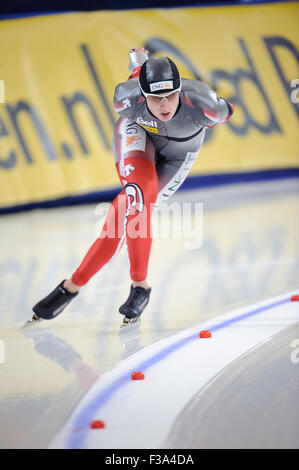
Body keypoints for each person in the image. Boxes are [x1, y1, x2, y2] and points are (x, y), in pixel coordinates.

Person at [28, 47, 234, 327]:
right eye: (156, 98)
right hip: (139, 135)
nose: (164, 105)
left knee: (122, 214)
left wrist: (142, 66)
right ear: (143, 95)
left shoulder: (203, 103)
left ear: (180, 91)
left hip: (177, 156)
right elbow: (138, 79)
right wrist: (139, 65)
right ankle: (137, 285)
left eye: (171, 96)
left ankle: (79, 286)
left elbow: (227, 110)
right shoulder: (126, 100)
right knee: (137, 198)